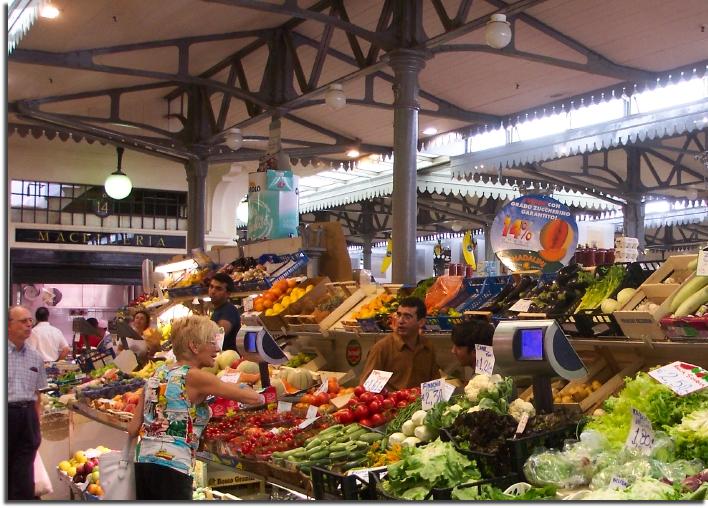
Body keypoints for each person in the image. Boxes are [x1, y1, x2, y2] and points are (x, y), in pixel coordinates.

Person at [127, 315, 264, 500]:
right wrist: (251, 389)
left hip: (142, 465)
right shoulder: (196, 377)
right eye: (212, 342)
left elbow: (133, 428)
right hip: (173, 470)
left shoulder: (157, 374)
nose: (217, 348)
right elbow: (253, 398)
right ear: (194, 346)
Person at [8, 305, 48, 500]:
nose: (29, 324)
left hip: (27, 417)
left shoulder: (35, 357)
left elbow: (38, 393)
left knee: (24, 474)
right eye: (23, 321)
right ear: (8, 325)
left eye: (30, 320)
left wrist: (36, 423)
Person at [359, 296, 440, 390]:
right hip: (391, 403)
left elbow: (434, 384)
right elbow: (368, 388)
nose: (400, 321)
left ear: (421, 322)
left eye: (407, 316)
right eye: (399, 315)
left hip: (418, 403)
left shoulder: (427, 347)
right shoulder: (383, 349)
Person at [208, 273, 240, 351]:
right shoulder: (218, 310)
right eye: (211, 287)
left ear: (228, 294)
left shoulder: (229, 311)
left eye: (218, 289)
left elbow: (217, 338)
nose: (213, 291)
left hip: (228, 361)